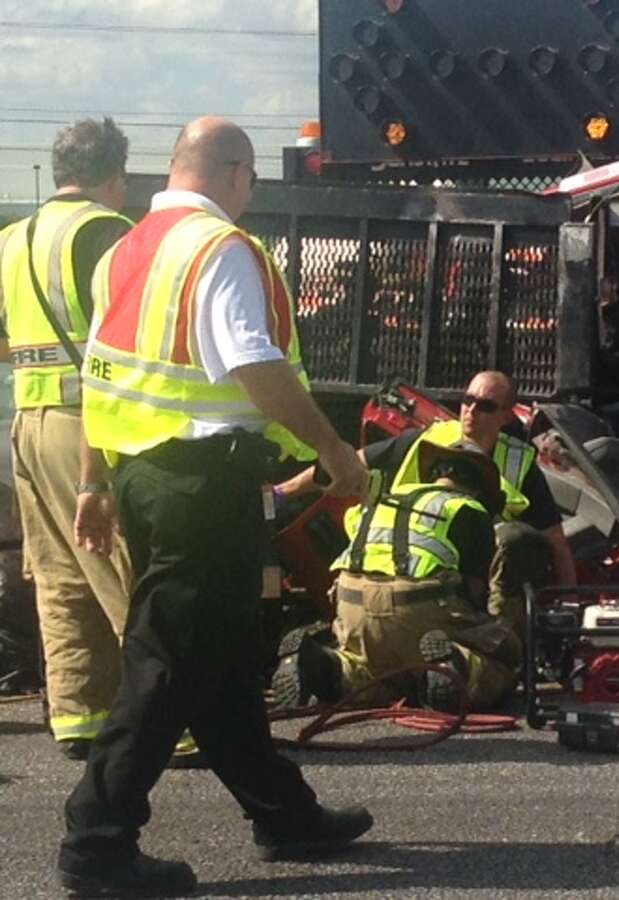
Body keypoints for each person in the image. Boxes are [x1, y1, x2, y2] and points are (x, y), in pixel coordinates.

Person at [57, 116, 373, 897]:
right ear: (236, 174)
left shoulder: (126, 249)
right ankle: (95, 843)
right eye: (251, 181)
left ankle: (284, 815)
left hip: (144, 476)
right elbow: (253, 364)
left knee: (225, 660)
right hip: (203, 481)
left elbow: (98, 378)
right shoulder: (222, 248)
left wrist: (96, 482)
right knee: (166, 662)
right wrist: (334, 454)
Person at [0, 118, 135, 758]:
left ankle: (81, 717)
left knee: (59, 576)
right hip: (90, 424)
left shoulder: (12, 239)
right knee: (125, 568)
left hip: (26, 425)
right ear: (116, 172)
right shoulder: (106, 232)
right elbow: (127, 335)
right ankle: (175, 721)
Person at [278, 369, 576, 635]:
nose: (471, 410)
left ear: (506, 416)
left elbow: (555, 543)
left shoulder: (519, 463)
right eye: (467, 400)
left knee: (519, 540)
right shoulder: (426, 440)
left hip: (474, 583)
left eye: (485, 406)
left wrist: (573, 614)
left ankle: (495, 643)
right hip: (408, 569)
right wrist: (282, 492)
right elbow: (346, 464)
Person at [276, 440, 521, 712]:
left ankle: (324, 668)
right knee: (502, 667)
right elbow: (476, 596)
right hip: (421, 611)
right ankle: (455, 668)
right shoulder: (467, 508)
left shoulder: (383, 499)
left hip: (352, 610)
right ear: (477, 487)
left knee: (373, 674)